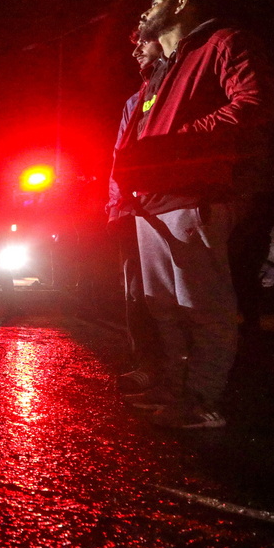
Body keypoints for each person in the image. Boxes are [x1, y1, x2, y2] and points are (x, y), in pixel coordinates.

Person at [112, 0, 274, 428]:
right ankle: (174, 387)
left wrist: (177, 144)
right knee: (163, 305)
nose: (146, 10)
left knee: (204, 306)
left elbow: (254, 104)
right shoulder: (163, 70)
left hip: (195, 194)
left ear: (182, 4)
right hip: (154, 201)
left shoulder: (224, 42)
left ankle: (204, 401)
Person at [106, 35, 165, 396]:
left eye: (145, 41)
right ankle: (149, 366)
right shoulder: (135, 99)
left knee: (173, 295)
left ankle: (176, 373)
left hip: (168, 202)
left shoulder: (177, 88)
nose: (135, 50)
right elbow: (120, 156)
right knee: (136, 294)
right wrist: (117, 206)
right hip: (134, 208)